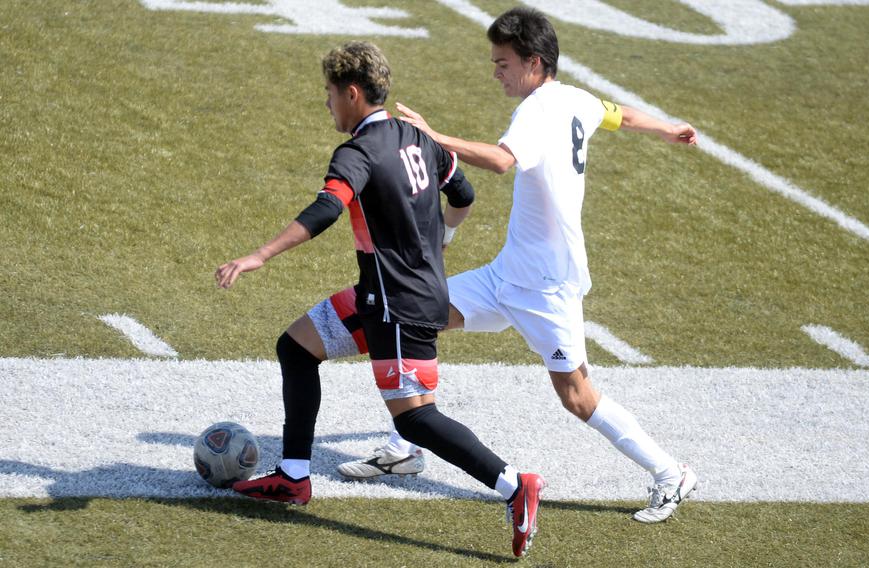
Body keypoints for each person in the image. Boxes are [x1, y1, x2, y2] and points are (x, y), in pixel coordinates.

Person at [336, 7, 699, 524]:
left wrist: (431, 136)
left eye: (503, 62)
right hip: (509, 273)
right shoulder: (575, 98)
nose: (496, 71)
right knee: (418, 317)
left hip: (547, 286)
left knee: (577, 395)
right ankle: (408, 442)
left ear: (533, 62)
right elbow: (618, 114)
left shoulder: (538, 110)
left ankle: (671, 473)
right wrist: (666, 129)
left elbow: (502, 161)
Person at [215, 41, 544, 558]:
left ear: (351, 93)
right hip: (388, 293)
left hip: (397, 305)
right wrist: (442, 243)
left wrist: (259, 255)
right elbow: (463, 195)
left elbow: (327, 209)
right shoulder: (417, 136)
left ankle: (513, 485)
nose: (327, 105)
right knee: (296, 347)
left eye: (329, 94)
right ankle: (294, 476)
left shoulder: (357, 152)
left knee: (414, 419)